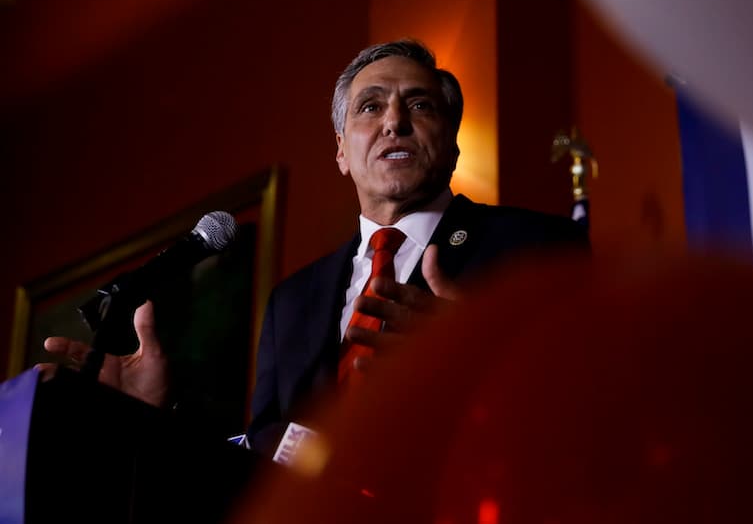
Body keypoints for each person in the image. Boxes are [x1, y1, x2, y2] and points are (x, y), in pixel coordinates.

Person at [40, 39, 588, 454]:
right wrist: (153, 419)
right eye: (370, 107)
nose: (394, 121)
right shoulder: (293, 301)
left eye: (419, 105)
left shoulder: (539, 247)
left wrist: (474, 359)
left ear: (450, 143)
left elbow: (596, 413)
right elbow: (265, 465)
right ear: (342, 152)